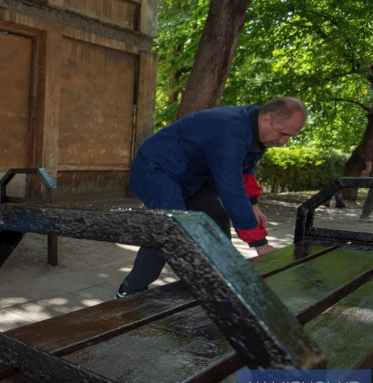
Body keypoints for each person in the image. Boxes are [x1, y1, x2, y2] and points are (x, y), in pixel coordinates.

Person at [117, 97, 307, 298]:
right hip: (157, 169)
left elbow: (246, 169)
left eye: (290, 136)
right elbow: (231, 189)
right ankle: (130, 289)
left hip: (191, 175)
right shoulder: (231, 134)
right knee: (172, 228)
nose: (283, 142)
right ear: (266, 119)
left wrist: (253, 204)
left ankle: (219, 285)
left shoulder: (256, 130)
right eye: (282, 133)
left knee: (217, 217)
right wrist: (260, 244)